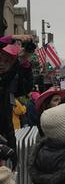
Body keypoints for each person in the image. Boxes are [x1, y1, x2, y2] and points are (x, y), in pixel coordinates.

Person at [0, 36, 34, 167]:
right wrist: (13, 37)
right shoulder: (5, 81)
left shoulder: (9, 83)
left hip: (7, 136)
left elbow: (25, 89)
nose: (2, 63)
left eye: (7, 60)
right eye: (0, 59)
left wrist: (24, 63)